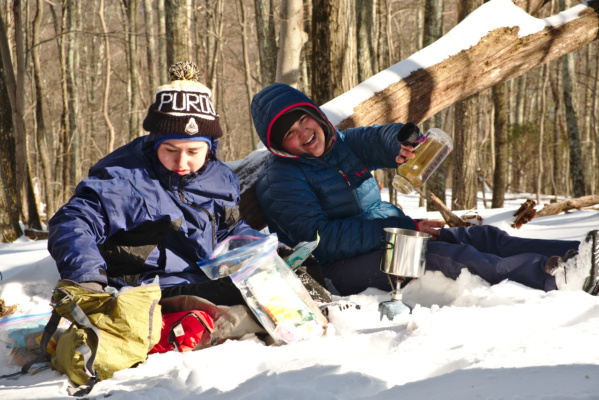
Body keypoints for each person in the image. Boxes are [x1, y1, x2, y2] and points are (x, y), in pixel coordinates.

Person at [251, 82, 599, 297]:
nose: (303, 133)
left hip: (386, 239)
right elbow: (323, 239)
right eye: (290, 134)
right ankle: (555, 277)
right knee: (446, 259)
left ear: (314, 114)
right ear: (280, 146)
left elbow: (376, 138)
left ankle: (583, 255)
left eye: (302, 120)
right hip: (336, 269)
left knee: (479, 237)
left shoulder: (339, 144)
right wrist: (402, 229)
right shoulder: (281, 179)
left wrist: (404, 141)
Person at [48, 61, 252, 306]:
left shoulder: (220, 177)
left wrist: (268, 251)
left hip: (204, 280)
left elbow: (228, 230)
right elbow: (73, 221)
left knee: (273, 293)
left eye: (194, 151)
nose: (181, 161)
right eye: (171, 149)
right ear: (156, 142)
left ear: (209, 146)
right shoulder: (127, 176)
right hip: (143, 290)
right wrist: (86, 277)